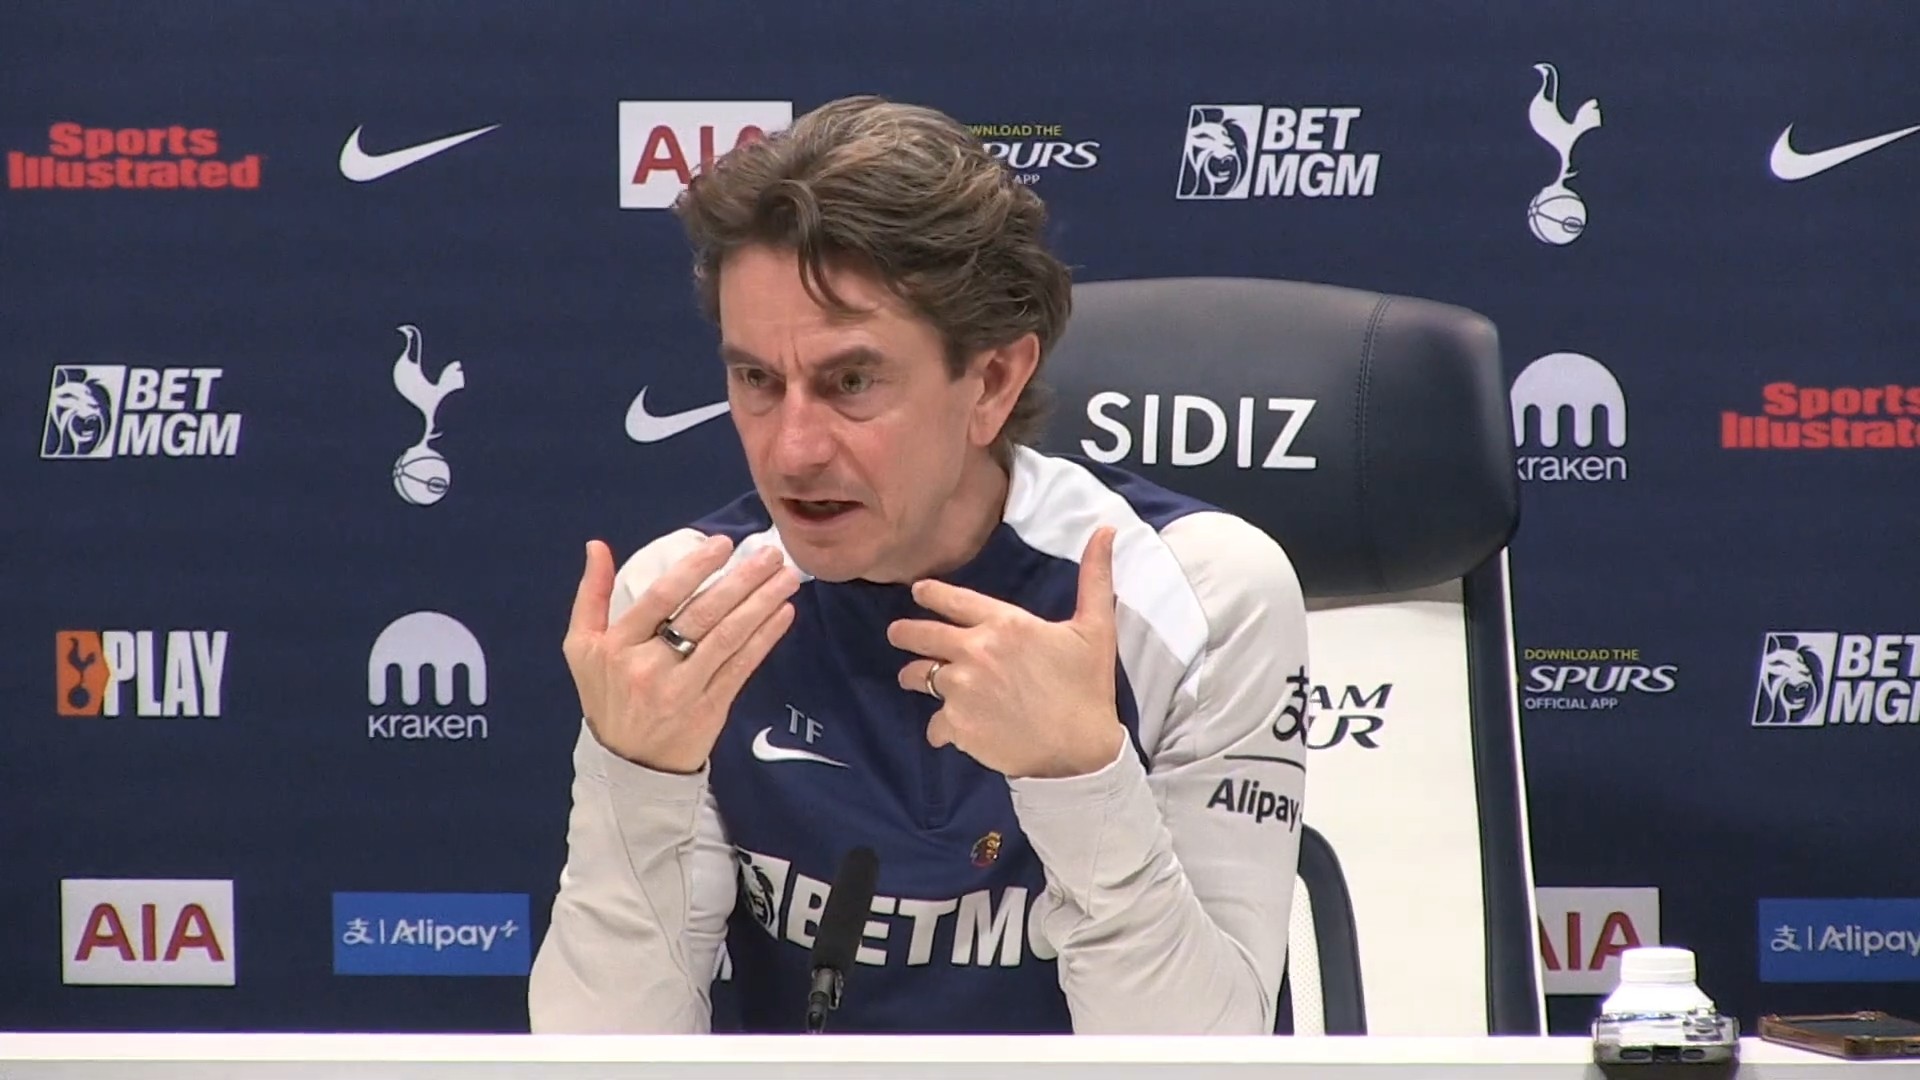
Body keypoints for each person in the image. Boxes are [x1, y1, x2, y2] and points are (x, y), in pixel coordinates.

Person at [529, 95, 1310, 1035]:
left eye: (852, 381)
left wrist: (1080, 780)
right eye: (757, 380)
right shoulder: (693, 607)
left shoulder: (1198, 595)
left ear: (991, 382)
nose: (792, 451)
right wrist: (634, 781)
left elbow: (1209, 1056)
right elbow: (601, 1054)